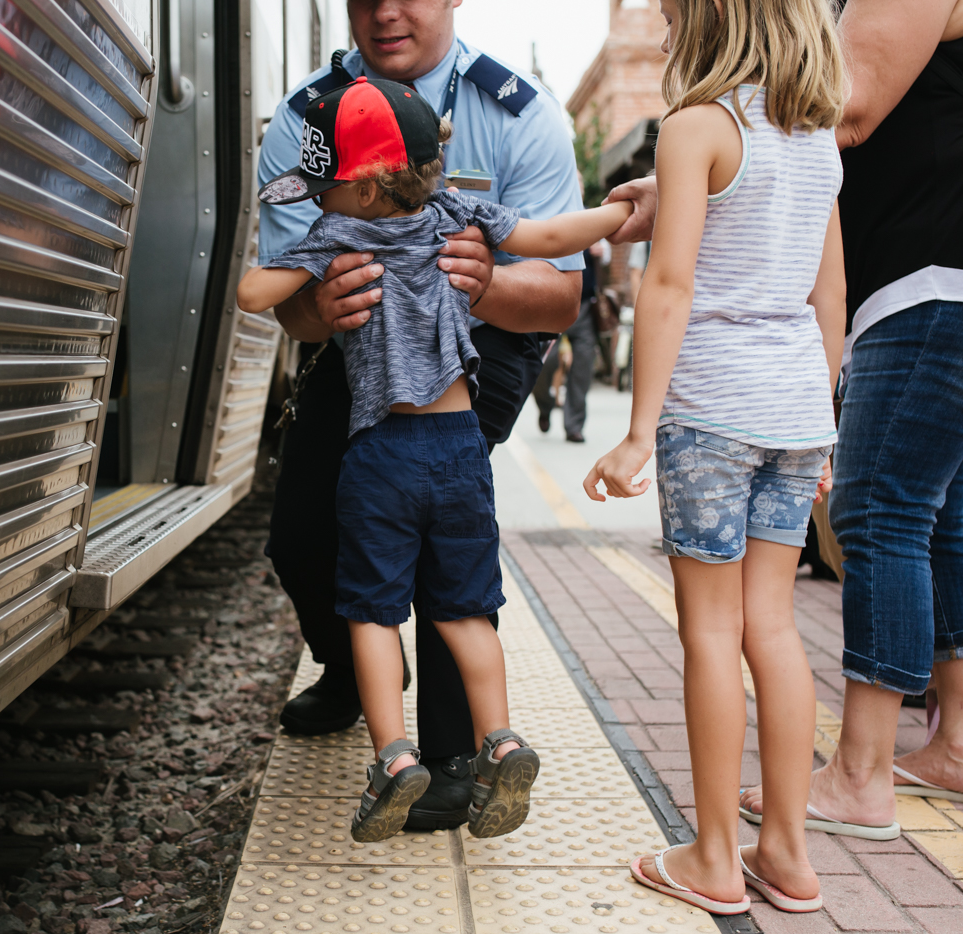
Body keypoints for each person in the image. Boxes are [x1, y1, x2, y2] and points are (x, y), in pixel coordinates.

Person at [239, 76, 634, 840]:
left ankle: (393, 756)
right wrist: (621, 211)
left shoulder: (336, 235)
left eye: (323, 186)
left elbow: (258, 293)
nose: (315, 199)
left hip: (380, 454)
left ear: (363, 183)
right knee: (464, 612)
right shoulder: (460, 211)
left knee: (373, 613)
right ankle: (503, 740)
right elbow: (553, 239)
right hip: (460, 452)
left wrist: (298, 265)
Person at [584, 0, 846, 915]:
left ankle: (713, 857)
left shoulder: (696, 127)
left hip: (711, 414)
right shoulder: (818, 141)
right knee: (771, 628)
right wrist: (827, 424)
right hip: (795, 412)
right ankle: (787, 850)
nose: (659, 19)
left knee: (708, 632)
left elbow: (670, 282)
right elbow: (830, 291)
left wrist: (636, 429)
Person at [735, 0, 963, 836]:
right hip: (940, 276)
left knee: (879, 508)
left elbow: (848, 101)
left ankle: (862, 774)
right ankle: (956, 744)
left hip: (928, 277)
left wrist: (713, 160)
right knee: (944, 518)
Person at [533, 246, 601, 442]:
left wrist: (601, 254)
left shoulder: (592, 219)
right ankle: (545, 405)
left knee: (582, 367)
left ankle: (574, 426)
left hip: (586, 305)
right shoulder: (557, 215)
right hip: (556, 303)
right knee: (545, 362)